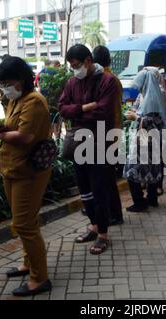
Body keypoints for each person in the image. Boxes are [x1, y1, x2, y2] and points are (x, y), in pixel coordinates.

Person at [0, 57, 52, 297]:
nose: (5, 87)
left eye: (8, 82)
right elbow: (13, 129)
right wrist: (2, 127)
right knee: (27, 221)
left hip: (28, 172)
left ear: (22, 79)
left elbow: (25, 137)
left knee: (24, 225)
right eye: (2, 83)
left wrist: (1, 135)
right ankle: (29, 264)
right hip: (13, 168)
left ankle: (40, 278)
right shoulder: (14, 100)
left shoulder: (34, 101)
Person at [59, 44, 118, 255]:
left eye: (76, 65)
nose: (74, 70)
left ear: (88, 61)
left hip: (102, 141)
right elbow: (62, 108)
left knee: (100, 188)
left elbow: (103, 112)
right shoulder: (73, 82)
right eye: (71, 67)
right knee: (84, 188)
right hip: (80, 142)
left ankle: (103, 234)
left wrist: (76, 113)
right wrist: (83, 108)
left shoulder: (108, 81)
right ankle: (93, 225)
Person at [124, 68, 166, 211]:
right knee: (151, 166)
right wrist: (134, 112)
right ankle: (151, 198)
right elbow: (138, 108)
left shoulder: (155, 95)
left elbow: (153, 120)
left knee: (131, 169)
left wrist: (135, 117)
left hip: (146, 137)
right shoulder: (145, 93)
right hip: (147, 137)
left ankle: (139, 202)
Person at [92, 45, 123, 225]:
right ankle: (110, 211)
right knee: (105, 175)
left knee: (106, 176)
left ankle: (114, 213)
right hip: (111, 131)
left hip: (107, 132)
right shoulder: (110, 78)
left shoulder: (106, 78)